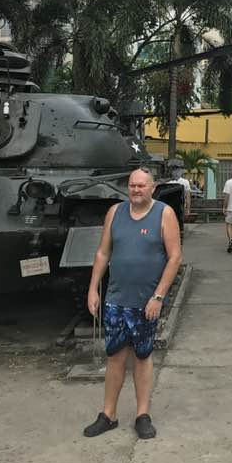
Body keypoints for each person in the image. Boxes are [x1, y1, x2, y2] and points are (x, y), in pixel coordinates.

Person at [84, 167, 183, 440]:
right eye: (132, 185)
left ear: (152, 188)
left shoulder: (164, 214)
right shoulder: (115, 213)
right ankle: (108, 415)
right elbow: (103, 253)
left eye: (141, 185)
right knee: (114, 356)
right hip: (116, 299)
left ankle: (142, 415)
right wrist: (93, 289)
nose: (136, 190)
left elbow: (175, 257)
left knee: (142, 356)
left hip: (146, 302)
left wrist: (158, 297)